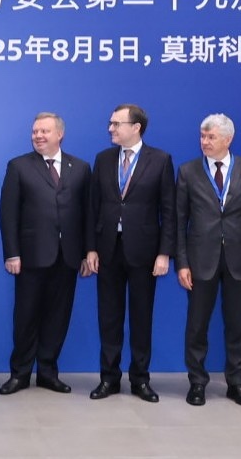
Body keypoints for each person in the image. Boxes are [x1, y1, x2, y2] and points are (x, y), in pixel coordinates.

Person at [175, 113, 241, 408]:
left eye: (211, 137)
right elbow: (179, 222)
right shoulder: (188, 171)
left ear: (228, 139)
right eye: (202, 136)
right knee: (197, 325)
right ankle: (197, 382)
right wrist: (182, 263)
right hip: (200, 259)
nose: (205, 142)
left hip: (240, 260)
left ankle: (237, 383)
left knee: (237, 325)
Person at [86, 104, 176, 402]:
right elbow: (93, 207)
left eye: (116, 124)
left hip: (145, 252)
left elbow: (168, 211)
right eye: (110, 123)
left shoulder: (160, 160)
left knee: (141, 318)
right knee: (109, 318)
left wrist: (164, 253)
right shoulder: (103, 159)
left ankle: (140, 380)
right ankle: (108, 378)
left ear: (136, 127)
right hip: (108, 250)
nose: (110, 128)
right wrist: (91, 248)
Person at [0, 112, 90, 396]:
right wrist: (12, 253)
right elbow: (8, 214)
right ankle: (20, 373)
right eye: (35, 131)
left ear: (60, 134)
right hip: (30, 256)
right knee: (26, 316)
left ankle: (48, 372)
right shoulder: (19, 166)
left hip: (68, 256)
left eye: (44, 131)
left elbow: (88, 213)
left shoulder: (81, 167)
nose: (38, 136)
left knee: (58, 316)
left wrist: (88, 252)